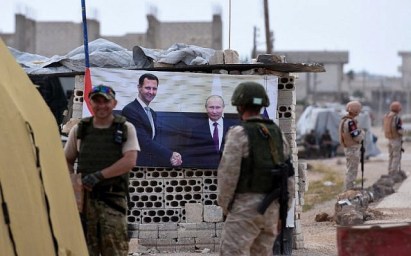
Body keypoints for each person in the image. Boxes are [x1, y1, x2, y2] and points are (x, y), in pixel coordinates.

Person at [217, 82, 295, 256]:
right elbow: (289, 176)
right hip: (271, 210)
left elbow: (228, 176)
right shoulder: (277, 133)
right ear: (262, 105)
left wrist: (226, 207)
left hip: (245, 210)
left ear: (239, 105)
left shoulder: (239, 133)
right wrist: (283, 211)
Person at [64, 85, 139, 256]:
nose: (101, 105)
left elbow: (129, 160)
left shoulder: (125, 128)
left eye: (105, 101)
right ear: (90, 103)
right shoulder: (80, 129)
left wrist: (99, 176)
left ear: (114, 103)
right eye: (96, 101)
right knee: (84, 249)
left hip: (112, 199)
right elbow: (67, 159)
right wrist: (75, 187)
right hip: (85, 203)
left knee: (114, 249)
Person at [122, 73, 182, 167]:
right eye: (147, 88)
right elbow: (143, 141)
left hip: (148, 165)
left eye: (154, 88)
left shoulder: (152, 113)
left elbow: (152, 140)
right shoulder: (130, 110)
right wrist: (170, 154)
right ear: (139, 88)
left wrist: (172, 157)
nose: (151, 92)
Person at [184, 95, 237, 168]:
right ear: (206, 108)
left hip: (229, 171)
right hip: (206, 172)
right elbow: (191, 153)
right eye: (211, 107)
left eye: (218, 107)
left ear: (223, 108)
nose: (214, 111)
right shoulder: (197, 130)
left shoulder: (234, 128)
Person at [339, 100, 365, 190]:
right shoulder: (350, 122)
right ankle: (349, 189)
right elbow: (356, 136)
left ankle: (349, 188)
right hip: (352, 149)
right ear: (356, 110)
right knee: (352, 170)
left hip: (348, 148)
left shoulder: (344, 120)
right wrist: (362, 133)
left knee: (350, 169)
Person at [383, 101, 404, 174]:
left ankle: (390, 170)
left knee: (391, 156)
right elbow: (399, 130)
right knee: (396, 156)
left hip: (389, 139)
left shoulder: (387, 116)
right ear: (398, 109)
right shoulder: (396, 118)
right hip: (396, 139)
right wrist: (404, 133)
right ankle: (394, 172)